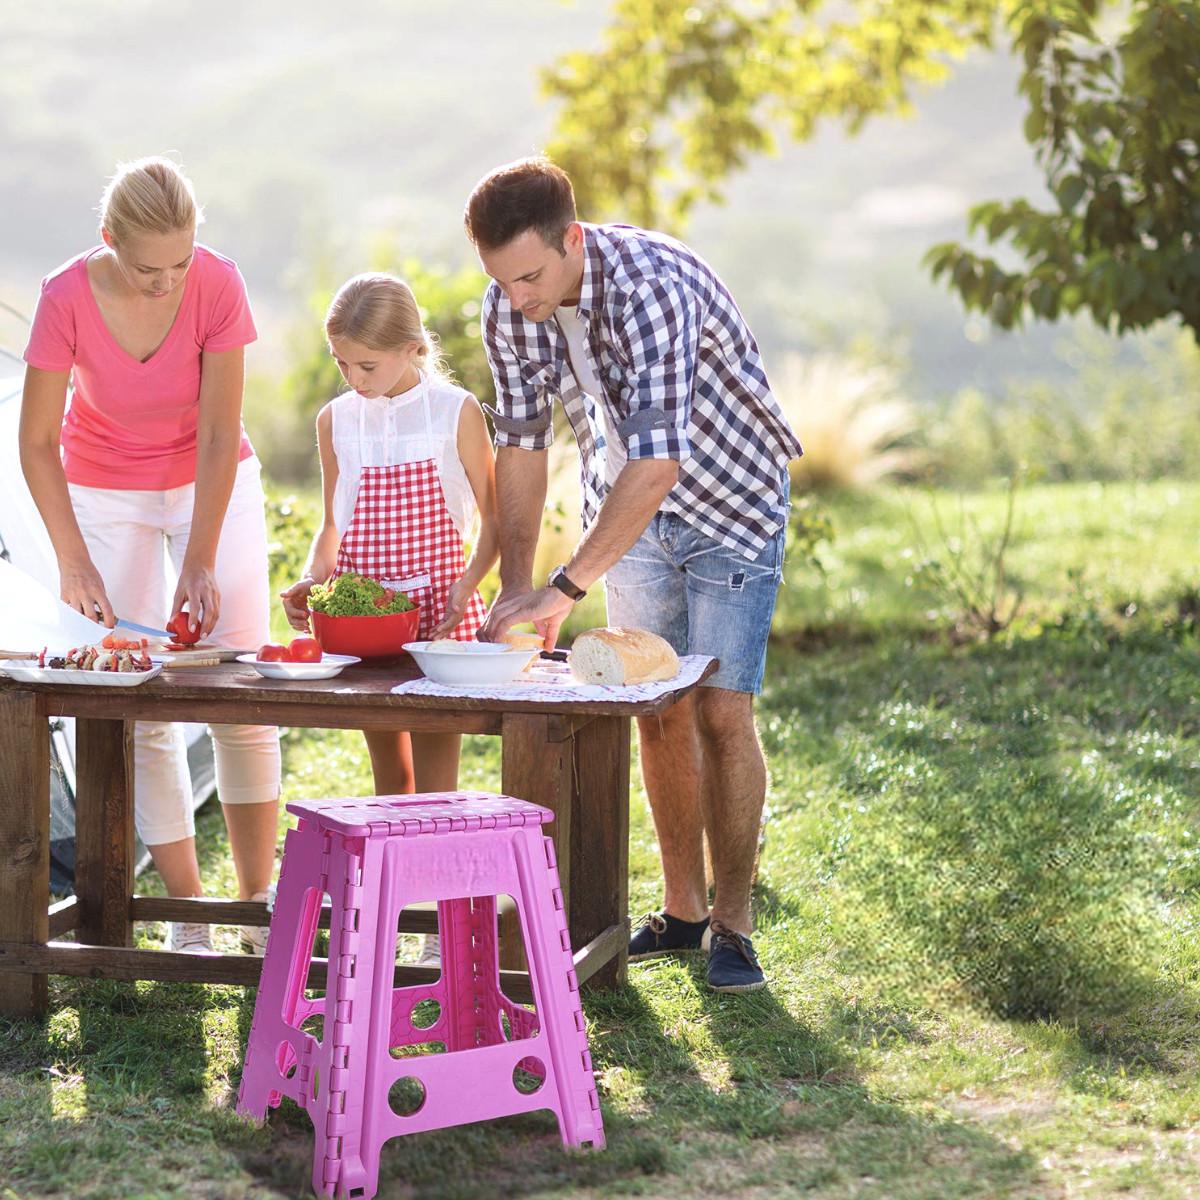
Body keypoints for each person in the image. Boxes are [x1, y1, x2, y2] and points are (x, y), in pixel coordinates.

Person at [465, 157, 803, 993]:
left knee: (723, 712)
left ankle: (734, 925)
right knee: (655, 708)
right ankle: (682, 911)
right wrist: (518, 589)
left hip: (730, 502)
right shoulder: (510, 305)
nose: (519, 299)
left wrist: (566, 588)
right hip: (623, 514)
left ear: (573, 239)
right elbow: (520, 445)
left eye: (531, 277)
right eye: (503, 282)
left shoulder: (650, 287)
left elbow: (659, 462)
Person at [20, 156, 281, 954]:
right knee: (141, 693)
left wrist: (198, 558)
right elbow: (35, 444)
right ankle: (188, 914)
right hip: (105, 491)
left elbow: (214, 431)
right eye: (147, 267)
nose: (168, 282)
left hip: (214, 481)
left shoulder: (218, 282)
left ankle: (258, 903)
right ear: (109, 240)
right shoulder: (64, 295)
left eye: (181, 260)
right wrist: (73, 560)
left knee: (242, 681)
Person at [280, 272, 499, 798]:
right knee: (390, 778)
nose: (354, 378)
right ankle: (396, 877)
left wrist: (468, 585)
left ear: (412, 348)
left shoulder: (454, 411)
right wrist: (314, 579)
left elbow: (496, 520)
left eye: (368, 365)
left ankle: (438, 875)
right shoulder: (336, 420)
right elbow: (335, 522)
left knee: (435, 779)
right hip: (362, 625)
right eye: (342, 363)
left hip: (437, 615)